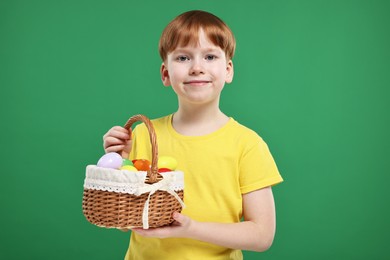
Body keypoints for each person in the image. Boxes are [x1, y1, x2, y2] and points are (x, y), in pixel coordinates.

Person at [103, 10, 283, 260]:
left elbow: (262, 235)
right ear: (165, 73)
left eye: (210, 56)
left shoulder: (247, 144)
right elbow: (124, 223)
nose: (197, 68)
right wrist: (117, 167)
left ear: (228, 70)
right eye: (183, 58)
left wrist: (191, 229)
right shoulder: (143, 135)